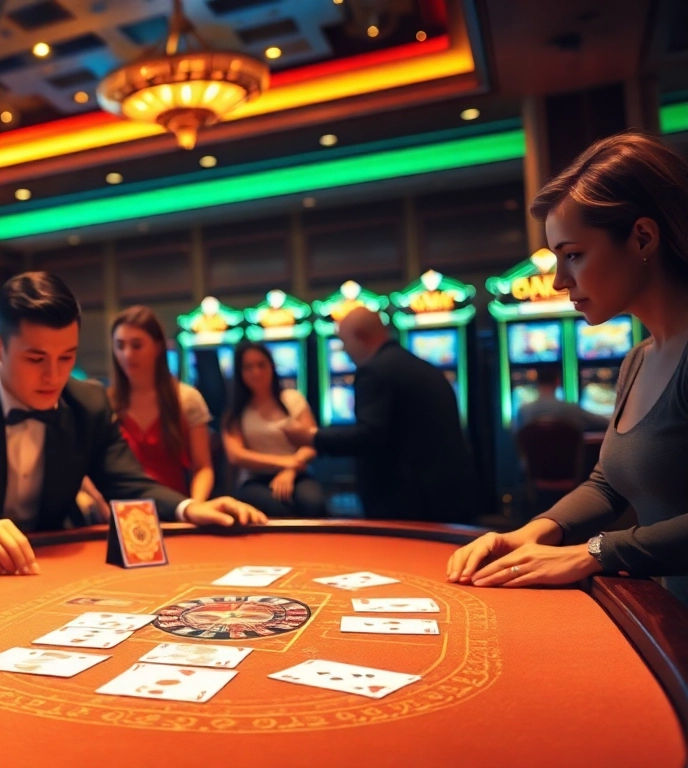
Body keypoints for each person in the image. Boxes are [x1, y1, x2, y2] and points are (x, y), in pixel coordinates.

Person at [0, 272, 267, 574]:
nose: (54, 377)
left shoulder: (87, 402)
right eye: (36, 359)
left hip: (50, 569)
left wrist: (191, 507)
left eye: (67, 357)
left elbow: (128, 484)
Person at [447, 132, 688, 604]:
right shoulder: (638, 360)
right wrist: (535, 531)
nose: (560, 281)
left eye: (573, 255)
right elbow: (608, 483)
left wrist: (596, 552)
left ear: (643, 237)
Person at [282, 306, 477, 522]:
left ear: (361, 337)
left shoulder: (374, 371)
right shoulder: (422, 367)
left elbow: (369, 436)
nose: (345, 351)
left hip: (408, 501)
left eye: (344, 343)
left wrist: (311, 437)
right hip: (448, 493)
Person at [108, 306, 213, 502]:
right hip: (122, 512)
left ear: (157, 347)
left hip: (175, 509)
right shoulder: (107, 403)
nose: (127, 354)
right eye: (120, 346)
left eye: (137, 345)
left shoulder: (186, 399)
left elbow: (203, 468)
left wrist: (194, 507)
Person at [223, 342, 327, 517]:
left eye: (261, 365)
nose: (256, 372)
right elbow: (236, 455)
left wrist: (290, 469)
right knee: (280, 510)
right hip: (255, 479)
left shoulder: (292, 399)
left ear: (272, 366)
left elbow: (310, 443)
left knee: (313, 504)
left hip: (297, 472)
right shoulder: (236, 412)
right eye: (248, 367)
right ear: (240, 373)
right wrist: (283, 463)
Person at [513, 363, 608, 433]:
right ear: (558, 381)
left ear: (537, 382)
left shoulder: (523, 411)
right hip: (567, 460)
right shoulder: (571, 409)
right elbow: (604, 422)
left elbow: (516, 436)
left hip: (533, 460)